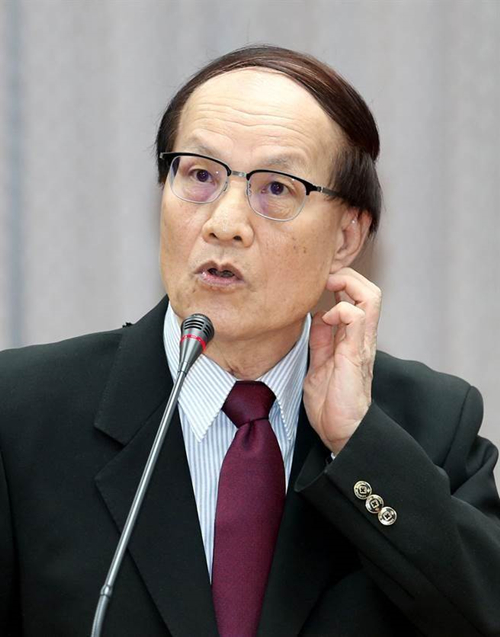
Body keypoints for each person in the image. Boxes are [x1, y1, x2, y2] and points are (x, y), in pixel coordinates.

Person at [1, 45, 500, 637]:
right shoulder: (21, 412)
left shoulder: (430, 424)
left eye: (277, 188)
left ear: (346, 237)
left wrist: (357, 444)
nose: (225, 223)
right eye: (200, 175)